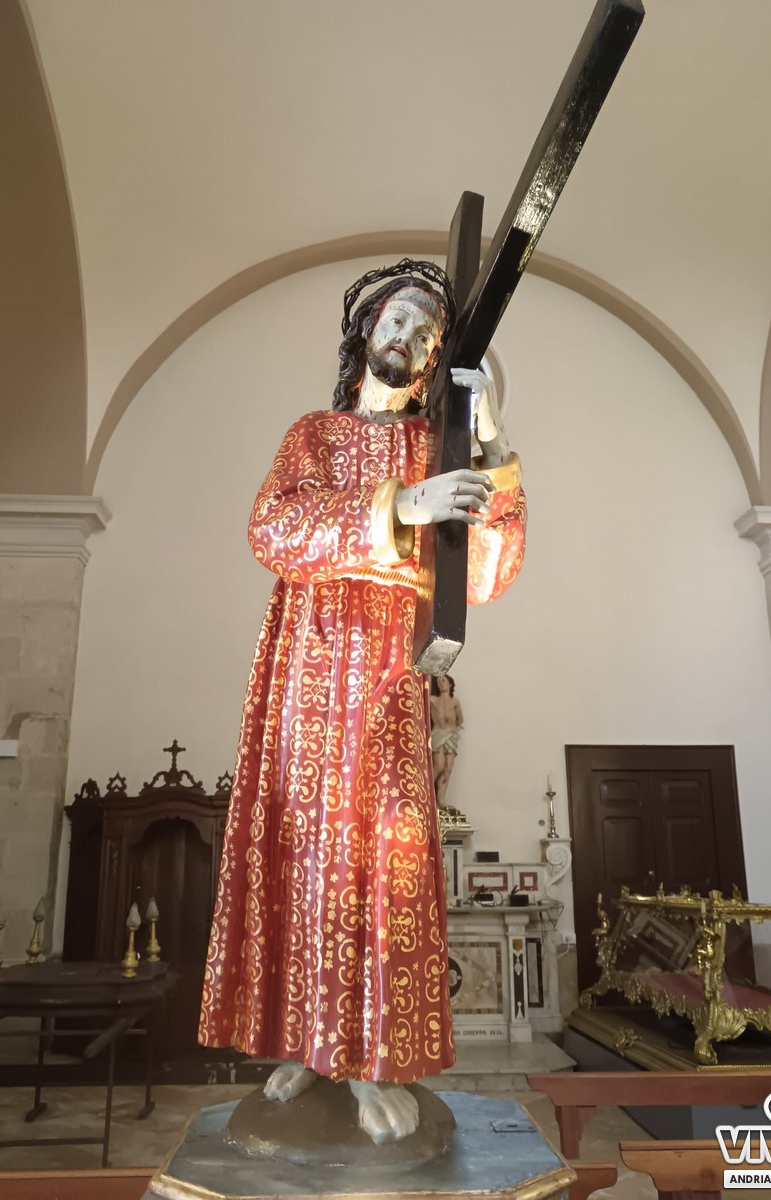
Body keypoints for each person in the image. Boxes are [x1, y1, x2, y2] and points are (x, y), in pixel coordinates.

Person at [199, 259, 526, 1143]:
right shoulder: (316, 435)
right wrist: (403, 507)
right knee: (307, 853)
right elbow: (274, 526)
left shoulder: (437, 450)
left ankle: (373, 1058)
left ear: (433, 364)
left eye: (426, 332)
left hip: (386, 680)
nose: (408, 336)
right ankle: (309, 1044)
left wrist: (492, 447)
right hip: (306, 674)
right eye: (398, 319)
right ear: (367, 330)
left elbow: (486, 573)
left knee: (385, 855)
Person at [430, 674, 463, 810]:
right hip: (438, 734)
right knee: (439, 765)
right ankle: (426, 793)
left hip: (451, 735)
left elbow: (460, 719)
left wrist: (451, 727)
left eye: (443, 681)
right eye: (438, 681)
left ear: (450, 684)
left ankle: (441, 800)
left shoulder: (454, 702)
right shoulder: (433, 700)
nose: (441, 683)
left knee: (448, 768)